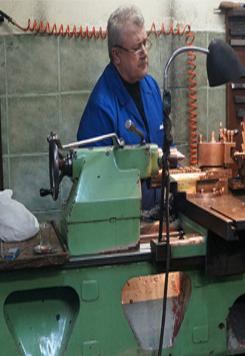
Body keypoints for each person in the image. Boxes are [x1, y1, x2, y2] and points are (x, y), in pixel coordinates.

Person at [77, 4, 162, 210]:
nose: (144, 53)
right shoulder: (101, 107)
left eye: (145, 43)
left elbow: (166, 147)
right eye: (136, 48)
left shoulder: (151, 87)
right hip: (123, 219)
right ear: (116, 55)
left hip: (159, 215)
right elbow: (96, 183)